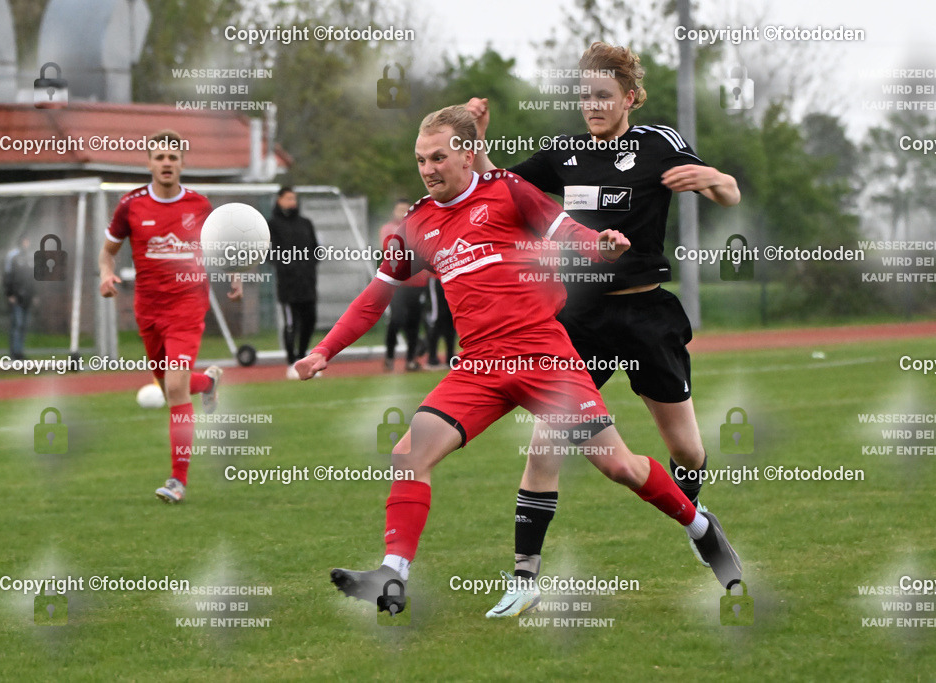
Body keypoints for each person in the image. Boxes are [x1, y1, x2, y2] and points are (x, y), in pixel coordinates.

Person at [294, 105, 741, 616]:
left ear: (466, 154)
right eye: (420, 159)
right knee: (408, 454)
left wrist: (602, 246)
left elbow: (566, 231)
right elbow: (376, 296)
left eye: (438, 157)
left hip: (545, 357)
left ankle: (700, 526)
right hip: (479, 368)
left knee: (618, 466)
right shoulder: (415, 224)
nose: (428, 168)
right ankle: (392, 576)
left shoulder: (506, 191)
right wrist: (324, 350)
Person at [465, 41, 742, 616]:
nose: (591, 105)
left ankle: (693, 508)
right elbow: (500, 187)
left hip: (645, 317)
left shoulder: (657, 144)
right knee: (546, 443)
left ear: (629, 98)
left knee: (686, 450)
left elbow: (729, 194)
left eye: (603, 96)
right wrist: (477, 141)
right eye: (584, 95)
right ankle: (524, 579)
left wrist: (712, 178)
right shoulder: (564, 153)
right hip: (581, 319)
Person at [98, 129, 242, 504]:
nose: (166, 163)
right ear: (148, 163)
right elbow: (108, 252)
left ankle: (178, 480)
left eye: (173, 158)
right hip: (148, 311)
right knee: (168, 387)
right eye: (160, 157)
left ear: (182, 164)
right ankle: (207, 384)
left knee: (174, 389)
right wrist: (105, 274)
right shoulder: (130, 206)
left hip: (187, 307)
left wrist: (234, 274)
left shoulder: (199, 205)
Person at [267, 186, 320, 377]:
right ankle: (292, 362)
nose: (292, 202)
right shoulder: (272, 225)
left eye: (294, 198)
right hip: (288, 285)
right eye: (288, 198)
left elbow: (315, 249)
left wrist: (310, 265)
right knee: (291, 324)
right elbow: (269, 252)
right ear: (279, 200)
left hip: (308, 282)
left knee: (310, 321)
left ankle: (302, 357)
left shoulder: (306, 223)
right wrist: (286, 266)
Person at [379, 198, 428, 371]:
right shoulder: (388, 229)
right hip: (397, 284)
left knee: (414, 322)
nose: (403, 213)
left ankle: (410, 359)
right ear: (394, 211)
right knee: (397, 319)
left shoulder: (420, 227)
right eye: (400, 209)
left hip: (418, 282)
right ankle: (390, 356)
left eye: (406, 209)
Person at [3, 235, 35, 360]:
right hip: (16, 296)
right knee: (17, 323)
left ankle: (20, 351)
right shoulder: (12, 256)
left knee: (24, 325)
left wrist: (34, 295)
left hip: (27, 297)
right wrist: (9, 294)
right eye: (25, 241)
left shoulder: (32, 256)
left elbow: (34, 278)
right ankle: (14, 352)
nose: (26, 243)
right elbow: (7, 275)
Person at [423, 272, 455, 369]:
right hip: (436, 278)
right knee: (437, 318)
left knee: (451, 319)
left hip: (450, 277)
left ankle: (450, 357)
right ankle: (432, 357)